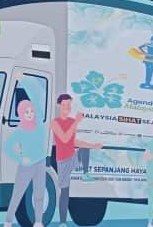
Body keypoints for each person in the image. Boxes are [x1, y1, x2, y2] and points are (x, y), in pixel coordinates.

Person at [51, 95, 103, 227]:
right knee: (65, 192)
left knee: (84, 148)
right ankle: (63, 222)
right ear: (59, 105)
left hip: (72, 157)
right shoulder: (55, 122)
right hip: (62, 161)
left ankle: (85, 174)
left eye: (69, 104)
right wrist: (76, 122)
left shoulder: (71, 121)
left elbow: (74, 141)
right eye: (64, 104)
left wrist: (93, 146)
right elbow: (64, 139)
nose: (67, 107)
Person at [3, 98, 48, 227]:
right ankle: (8, 221)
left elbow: (38, 105)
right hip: (26, 166)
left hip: (40, 162)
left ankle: (38, 221)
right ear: (21, 114)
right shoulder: (20, 130)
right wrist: (20, 158)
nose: (30, 114)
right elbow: (7, 146)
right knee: (18, 193)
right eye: (26, 112)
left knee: (39, 194)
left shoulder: (40, 126)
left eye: (32, 111)